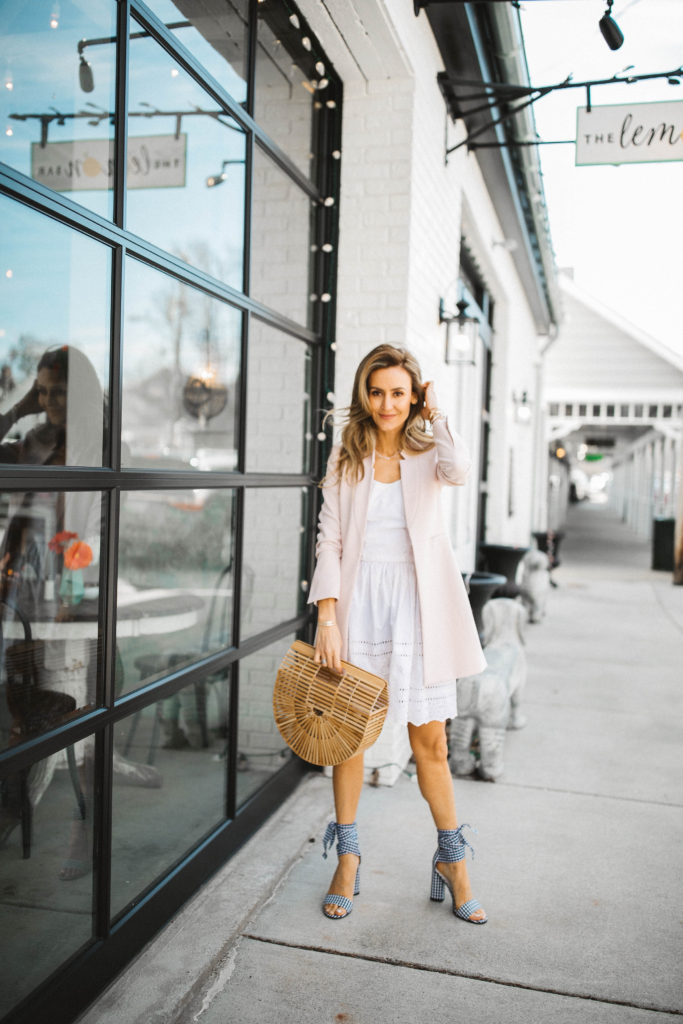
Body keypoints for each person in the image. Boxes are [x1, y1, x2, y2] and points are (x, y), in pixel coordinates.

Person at [308, 344, 488, 923]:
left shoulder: (429, 446)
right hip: (360, 607)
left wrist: (436, 414)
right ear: (366, 394)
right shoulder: (347, 457)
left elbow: (460, 471)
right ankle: (348, 859)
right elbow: (330, 540)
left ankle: (453, 861)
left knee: (429, 743)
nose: (388, 403)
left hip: (418, 608)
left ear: (414, 396)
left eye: (399, 393)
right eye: (378, 391)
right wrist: (327, 618)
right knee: (351, 739)